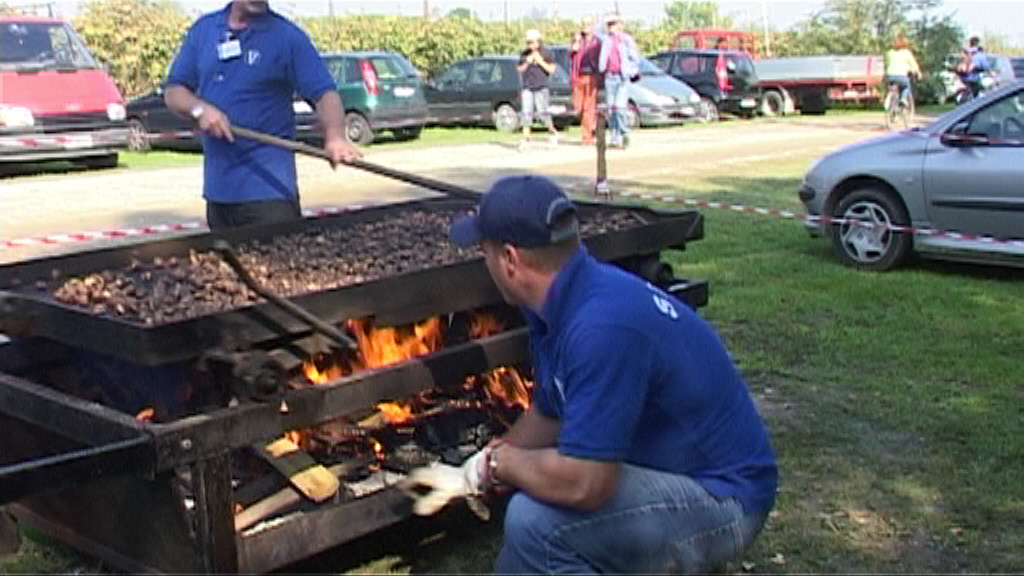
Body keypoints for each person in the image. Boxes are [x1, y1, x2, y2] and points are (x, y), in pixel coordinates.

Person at [401, 175, 778, 574]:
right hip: (674, 479)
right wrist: (472, 471)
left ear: (510, 259)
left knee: (536, 523)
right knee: (536, 510)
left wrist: (502, 466)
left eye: (485, 251)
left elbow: (586, 484)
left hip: (725, 502)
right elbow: (551, 413)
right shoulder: (561, 301)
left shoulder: (601, 327)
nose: (485, 263)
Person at [164, 0, 361, 231]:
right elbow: (174, 92)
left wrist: (335, 136)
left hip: (270, 196)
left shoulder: (288, 37)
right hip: (218, 195)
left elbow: (324, 94)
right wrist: (200, 109)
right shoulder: (203, 31)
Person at [598, 13, 640, 149]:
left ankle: (624, 132)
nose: (611, 27)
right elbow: (596, 31)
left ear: (619, 25)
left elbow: (635, 59)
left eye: (613, 24)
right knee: (611, 109)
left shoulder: (626, 40)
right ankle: (615, 137)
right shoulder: (606, 40)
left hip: (622, 78)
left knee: (619, 108)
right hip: (609, 77)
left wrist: (630, 72)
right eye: (609, 25)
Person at [517, 29, 559, 151]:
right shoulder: (524, 54)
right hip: (527, 87)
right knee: (526, 112)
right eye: (528, 42)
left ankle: (552, 132)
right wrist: (527, 62)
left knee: (543, 112)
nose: (530, 45)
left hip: (541, 87)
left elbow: (551, 69)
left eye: (532, 42)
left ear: (538, 41)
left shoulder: (546, 53)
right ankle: (526, 138)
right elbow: (519, 69)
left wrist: (540, 61)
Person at [570, 16, 601, 145]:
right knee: (578, 107)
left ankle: (586, 137)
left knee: (589, 107)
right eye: (584, 23)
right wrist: (574, 46)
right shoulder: (578, 40)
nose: (586, 26)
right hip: (578, 76)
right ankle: (591, 129)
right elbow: (571, 55)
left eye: (588, 24)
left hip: (591, 76)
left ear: (592, 26)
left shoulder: (597, 42)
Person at [884, 36, 922, 106]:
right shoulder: (906, 53)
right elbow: (914, 65)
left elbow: (887, 63)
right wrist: (918, 72)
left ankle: (890, 96)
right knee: (906, 87)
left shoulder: (889, 53)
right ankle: (903, 99)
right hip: (901, 76)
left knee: (892, 86)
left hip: (890, 76)